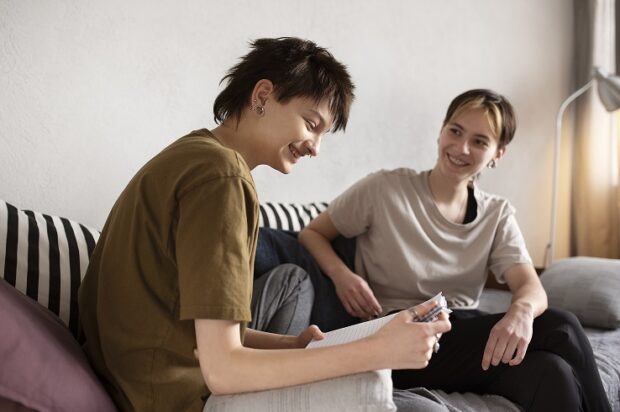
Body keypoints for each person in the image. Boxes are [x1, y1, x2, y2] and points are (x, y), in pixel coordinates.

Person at [78, 37, 451, 412]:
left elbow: (194, 331)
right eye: (311, 124)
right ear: (262, 96)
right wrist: (377, 351)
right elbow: (224, 370)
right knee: (424, 409)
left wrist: (291, 345)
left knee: (412, 400)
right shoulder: (222, 177)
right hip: (175, 400)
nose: (315, 148)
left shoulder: (194, 155)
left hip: (143, 385)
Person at [299, 89, 612, 412]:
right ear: (441, 130)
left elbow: (531, 288)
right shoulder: (385, 189)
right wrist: (342, 275)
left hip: (461, 339)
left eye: (479, 141)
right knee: (561, 326)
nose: (461, 148)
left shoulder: (497, 214)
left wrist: (520, 312)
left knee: (553, 373)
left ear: (497, 154)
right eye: (456, 131)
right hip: (398, 337)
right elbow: (313, 233)